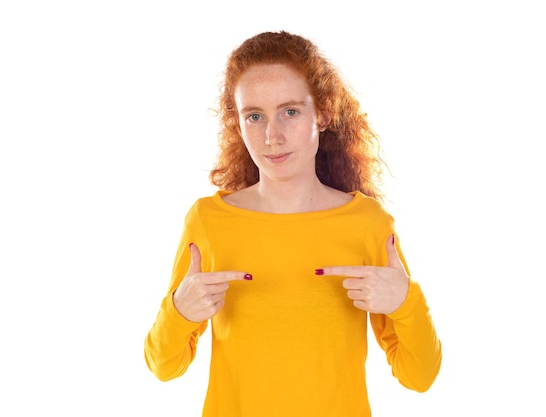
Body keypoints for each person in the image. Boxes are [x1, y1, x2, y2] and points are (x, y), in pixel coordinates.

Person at [144, 30, 442, 416]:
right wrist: (180, 311)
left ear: (322, 113)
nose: (273, 136)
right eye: (255, 116)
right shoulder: (208, 221)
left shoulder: (367, 223)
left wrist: (406, 301)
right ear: (238, 124)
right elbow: (164, 366)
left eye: (290, 111)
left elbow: (420, 376)